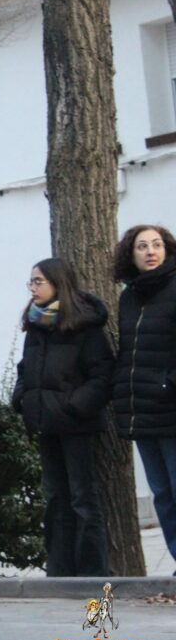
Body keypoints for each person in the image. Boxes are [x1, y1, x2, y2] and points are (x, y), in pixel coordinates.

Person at [13, 258, 113, 576]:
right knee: (56, 497)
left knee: (83, 498)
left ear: (58, 283)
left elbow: (102, 375)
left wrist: (74, 406)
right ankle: (60, 570)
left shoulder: (85, 325)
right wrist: (21, 399)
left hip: (75, 425)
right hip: (45, 424)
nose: (32, 288)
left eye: (38, 281)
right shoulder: (36, 324)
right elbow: (25, 369)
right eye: (30, 282)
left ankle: (92, 572)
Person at [112, 225, 176, 568]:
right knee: (162, 496)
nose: (150, 251)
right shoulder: (130, 296)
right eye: (142, 246)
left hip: (170, 407)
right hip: (141, 410)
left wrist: (167, 384)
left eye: (156, 244)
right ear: (131, 255)